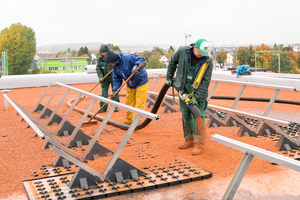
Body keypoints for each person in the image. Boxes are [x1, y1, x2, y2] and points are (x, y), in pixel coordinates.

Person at [166, 39, 213, 155]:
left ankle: (199, 144)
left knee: (198, 116)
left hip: (199, 92)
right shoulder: (183, 51)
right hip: (182, 88)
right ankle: (189, 139)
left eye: (204, 53)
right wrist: (169, 76)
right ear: (195, 47)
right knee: (186, 115)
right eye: (200, 52)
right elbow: (172, 62)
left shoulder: (208, 61)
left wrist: (195, 98)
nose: (202, 55)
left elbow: (205, 82)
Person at [105, 50, 148, 125]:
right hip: (130, 84)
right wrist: (115, 90)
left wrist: (136, 66)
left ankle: (136, 122)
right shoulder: (115, 67)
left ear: (115, 60)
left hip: (141, 81)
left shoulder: (128, 58)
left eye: (111, 62)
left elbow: (142, 60)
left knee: (139, 103)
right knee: (128, 103)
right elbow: (117, 79)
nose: (110, 64)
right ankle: (129, 120)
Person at [96, 44, 120, 113]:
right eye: (102, 52)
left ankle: (115, 106)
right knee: (104, 93)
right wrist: (100, 76)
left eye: (104, 52)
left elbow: (118, 64)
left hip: (113, 77)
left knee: (115, 91)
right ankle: (103, 107)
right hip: (104, 78)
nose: (102, 53)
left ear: (108, 51)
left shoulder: (113, 56)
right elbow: (98, 68)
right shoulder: (100, 58)